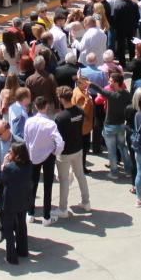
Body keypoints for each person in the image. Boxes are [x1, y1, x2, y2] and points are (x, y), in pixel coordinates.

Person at [25, 95, 64, 223]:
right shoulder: (50, 124)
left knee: (32, 184)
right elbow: (60, 142)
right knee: (48, 186)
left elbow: (26, 140)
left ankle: (30, 213)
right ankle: (46, 216)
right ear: (46, 107)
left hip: (33, 155)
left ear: (35, 106)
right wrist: (55, 152)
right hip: (48, 156)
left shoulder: (29, 122)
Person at [53, 87, 90, 216]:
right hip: (78, 148)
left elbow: (57, 137)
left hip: (64, 152)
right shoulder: (79, 111)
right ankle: (86, 202)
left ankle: (63, 209)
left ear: (62, 99)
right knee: (80, 175)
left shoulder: (60, 117)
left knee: (63, 180)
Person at [0, 142, 34, 265]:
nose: (8, 153)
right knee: (21, 225)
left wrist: (3, 165)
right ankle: (23, 251)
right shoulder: (28, 165)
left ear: (16, 154)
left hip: (10, 202)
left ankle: (11, 257)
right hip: (24, 200)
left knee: (8, 228)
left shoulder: (9, 168)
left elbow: (1, 179)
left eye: (10, 152)